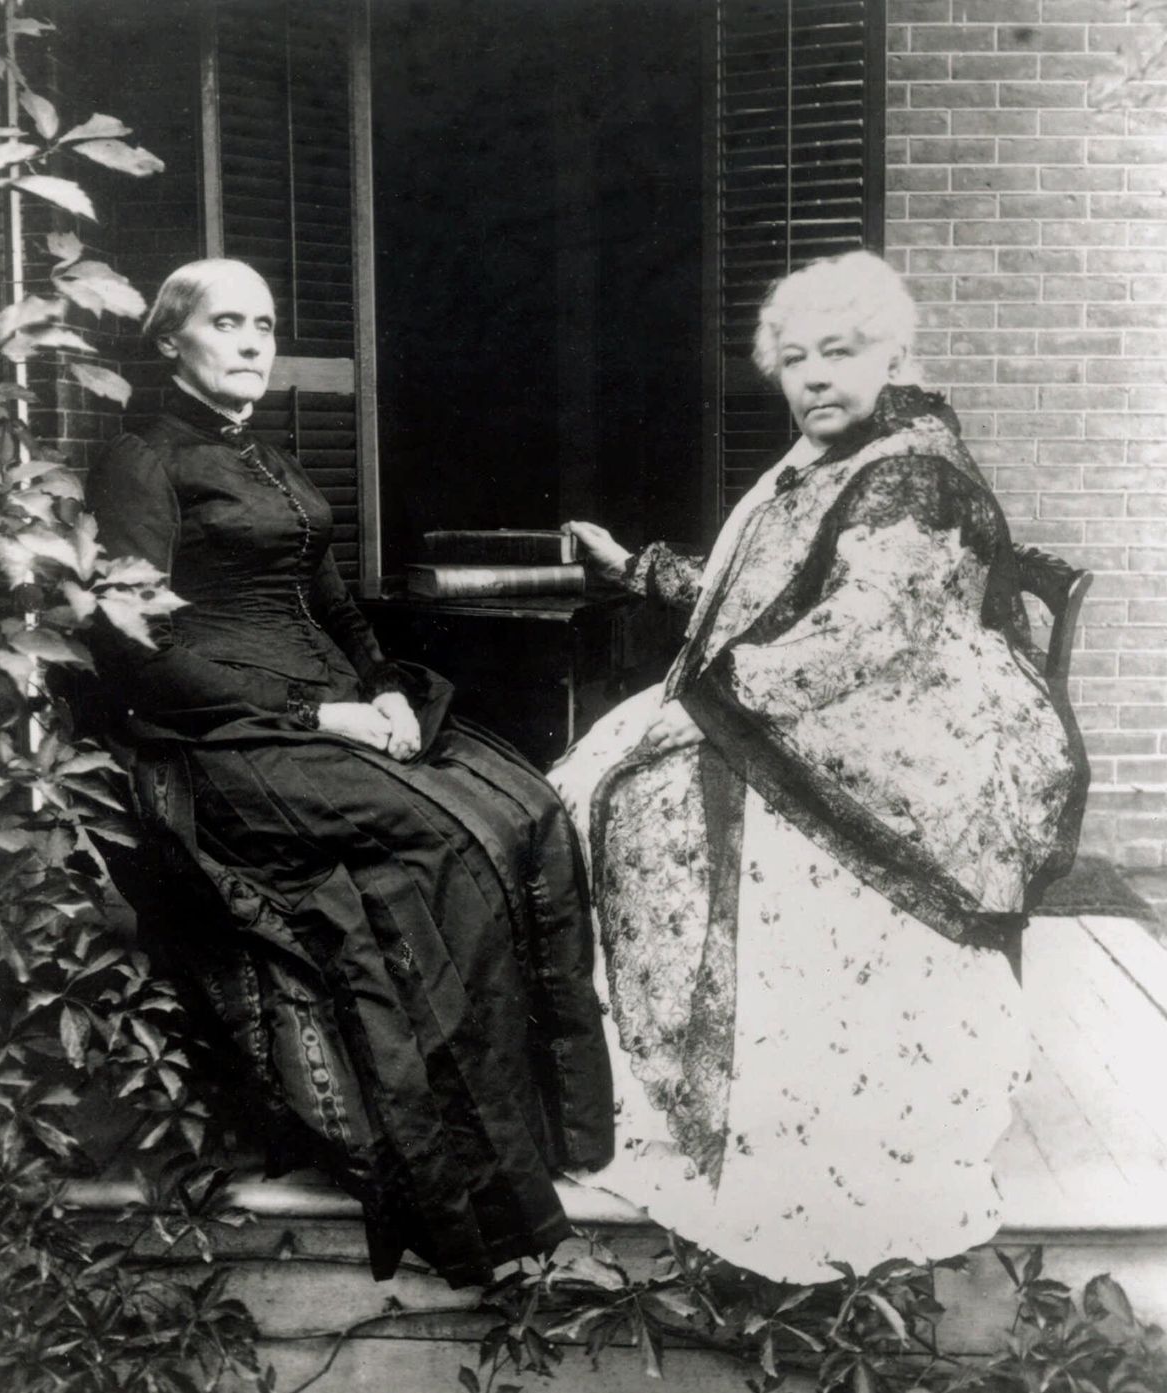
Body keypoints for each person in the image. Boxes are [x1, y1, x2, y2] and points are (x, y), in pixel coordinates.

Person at [552, 249, 1088, 1283]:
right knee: (600, 782)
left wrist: (706, 714)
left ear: (892, 352)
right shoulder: (826, 459)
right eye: (795, 360)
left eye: (839, 354)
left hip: (907, 737)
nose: (815, 379)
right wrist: (640, 569)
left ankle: (760, 1121)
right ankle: (639, 1097)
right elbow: (763, 595)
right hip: (815, 708)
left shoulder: (915, 472)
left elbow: (859, 635)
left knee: (655, 800)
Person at [85, 258, 613, 1289]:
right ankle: (483, 1200)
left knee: (533, 808)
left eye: (265, 324)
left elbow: (332, 612)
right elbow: (134, 653)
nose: (251, 341)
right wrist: (316, 711)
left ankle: (555, 1136)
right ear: (168, 342)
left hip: (329, 718)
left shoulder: (275, 464)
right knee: (445, 842)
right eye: (225, 323)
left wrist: (381, 691)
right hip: (224, 740)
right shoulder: (139, 461)